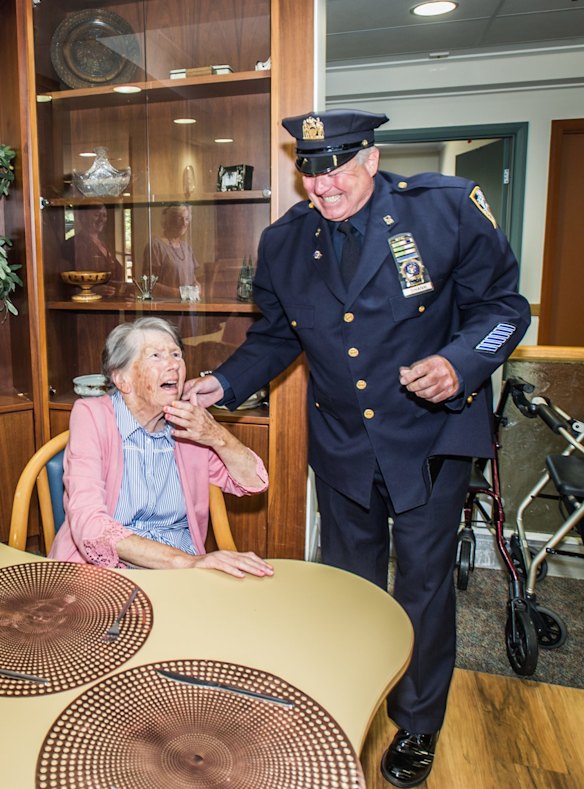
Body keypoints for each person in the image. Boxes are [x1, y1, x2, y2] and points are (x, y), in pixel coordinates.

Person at [183, 109, 531, 785]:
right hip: (344, 440)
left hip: (430, 434)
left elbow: (505, 310)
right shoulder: (286, 242)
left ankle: (418, 723)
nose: (325, 184)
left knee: (423, 586)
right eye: (311, 170)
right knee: (349, 586)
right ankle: (355, 700)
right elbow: (276, 338)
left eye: (339, 166)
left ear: (371, 159)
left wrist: (461, 362)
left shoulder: (445, 209)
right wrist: (221, 383)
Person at [49, 316, 272, 580]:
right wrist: (187, 562)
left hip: (179, 575)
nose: (173, 365)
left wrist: (217, 436)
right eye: (155, 356)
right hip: (104, 572)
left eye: (176, 354)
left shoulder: (191, 422)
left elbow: (254, 482)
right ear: (122, 380)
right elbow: (90, 526)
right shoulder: (92, 416)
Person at [62, 204, 125, 297]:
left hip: (109, 304)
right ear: (82, 217)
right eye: (96, 215)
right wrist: (91, 290)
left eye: (104, 216)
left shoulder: (105, 244)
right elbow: (63, 284)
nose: (101, 220)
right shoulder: (72, 244)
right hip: (85, 306)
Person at [142, 204, 201, 298]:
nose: (184, 223)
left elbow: (193, 280)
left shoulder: (187, 248)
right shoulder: (155, 246)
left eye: (186, 219)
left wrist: (198, 288)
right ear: (169, 220)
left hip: (189, 308)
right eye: (179, 218)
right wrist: (179, 294)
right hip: (166, 308)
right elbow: (148, 284)